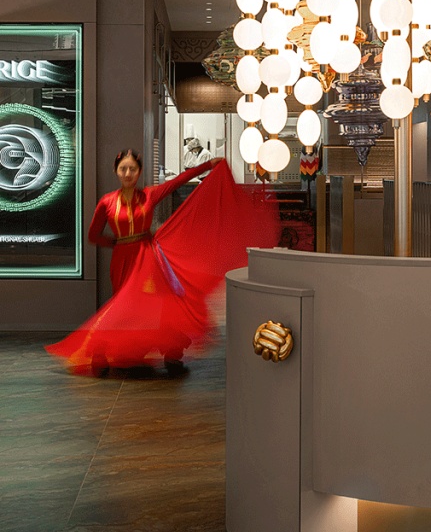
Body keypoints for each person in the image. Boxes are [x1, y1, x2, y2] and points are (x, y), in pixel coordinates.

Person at [46, 148, 279, 377]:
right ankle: (107, 350)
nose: (127, 174)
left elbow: (178, 181)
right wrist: (117, 243)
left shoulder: (149, 195)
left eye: (132, 169)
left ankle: (170, 352)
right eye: (123, 169)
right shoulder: (107, 202)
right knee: (124, 309)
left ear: (139, 172)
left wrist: (208, 166)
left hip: (147, 259)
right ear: (116, 171)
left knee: (156, 308)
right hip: (122, 261)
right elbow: (93, 236)